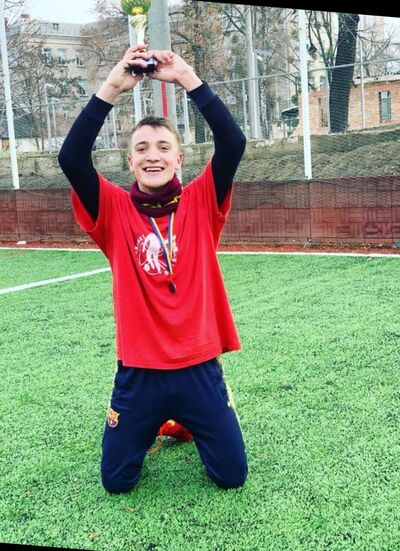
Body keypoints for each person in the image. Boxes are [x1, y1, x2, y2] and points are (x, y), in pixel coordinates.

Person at [58, 44, 248, 493]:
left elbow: (233, 142)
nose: (153, 155)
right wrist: (112, 87)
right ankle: (157, 418)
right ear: (130, 162)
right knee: (117, 482)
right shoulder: (113, 209)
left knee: (231, 477)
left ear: (179, 159)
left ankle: (183, 418)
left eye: (164, 147)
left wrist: (185, 77)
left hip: (198, 366)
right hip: (139, 372)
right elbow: (71, 159)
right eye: (141, 148)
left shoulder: (201, 201)